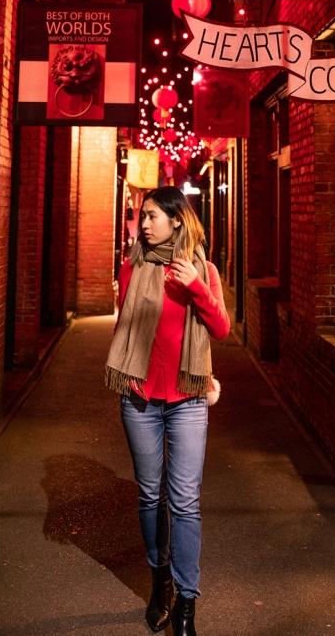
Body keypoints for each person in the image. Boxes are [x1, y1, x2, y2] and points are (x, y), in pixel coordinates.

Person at [105, 186, 230, 635]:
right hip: (139, 401)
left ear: (177, 220)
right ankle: (160, 581)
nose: (144, 223)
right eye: (143, 215)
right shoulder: (132, 267)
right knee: (150, 496)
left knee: (185, 501)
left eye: (153, 215)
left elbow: (220, 328)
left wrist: (195, 287)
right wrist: (129, 373)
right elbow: (126, 332)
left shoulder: (202, 270)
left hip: (187, 401)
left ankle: (186, 605)